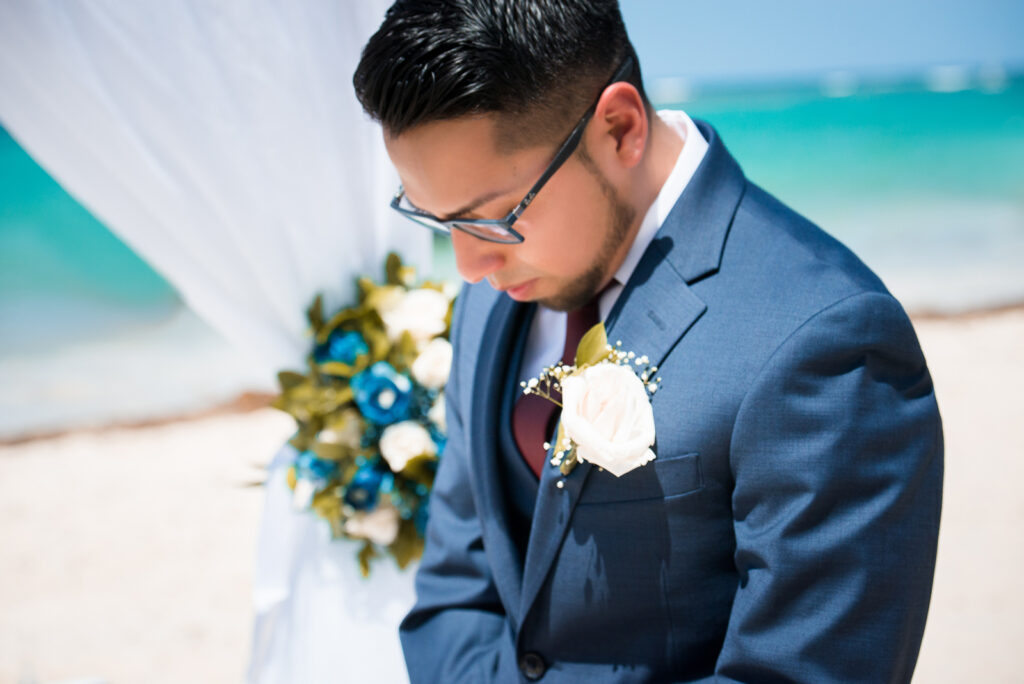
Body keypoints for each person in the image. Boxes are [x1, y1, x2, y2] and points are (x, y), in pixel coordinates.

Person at [352, 1, 944, 681]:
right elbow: (458, 587)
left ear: (621, 128)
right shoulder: (492, 293)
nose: (466, 266)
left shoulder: (826, 340)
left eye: (496, 217)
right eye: (433, 217)